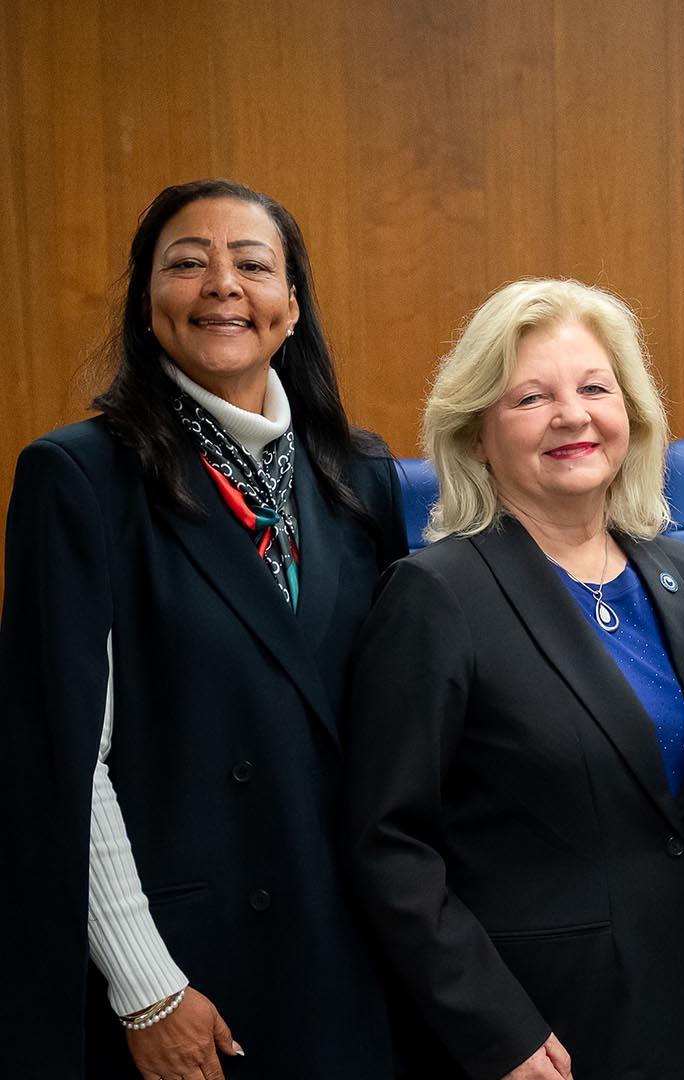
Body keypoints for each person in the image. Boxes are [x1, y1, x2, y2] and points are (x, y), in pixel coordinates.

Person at [0, 178, 406, 1077]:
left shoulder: (359, 476)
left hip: (346, 948)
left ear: (291, 309)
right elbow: (63, 762)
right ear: (149, 308)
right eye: (187, 263)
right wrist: (147, 988)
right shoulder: (80, 478)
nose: (223, 284)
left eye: (253, 265)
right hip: (184, 965)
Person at [340, 278, 684, 1080]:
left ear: (633, 413)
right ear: (478, 434)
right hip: (540, 1035)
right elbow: (388, 844)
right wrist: (494, 1029)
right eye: (530, 398)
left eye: (594, 387)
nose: (573, 416)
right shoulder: (437, 595)